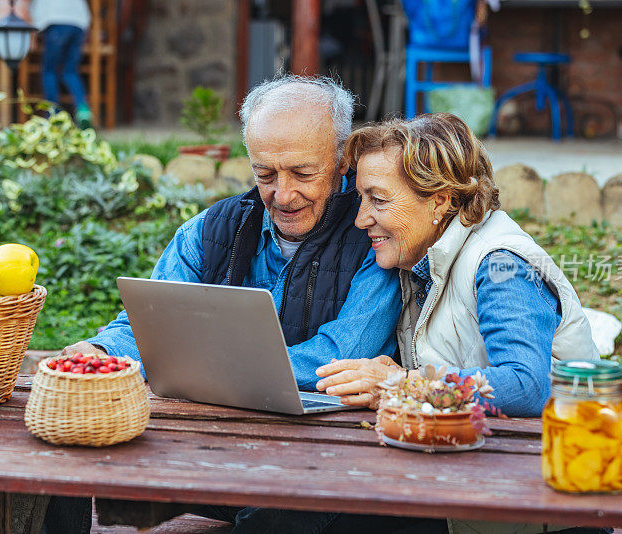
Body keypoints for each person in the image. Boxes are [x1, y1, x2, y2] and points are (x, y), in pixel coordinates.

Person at [58, 75, 412, 533]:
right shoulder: (210, 231)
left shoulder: (374, 240)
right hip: (211, 444)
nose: (282, 195)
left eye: (302, 173)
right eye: (265, 174)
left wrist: (207, 369)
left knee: (279, 513)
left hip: (327, 459)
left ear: (342, 160)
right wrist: (102, 354)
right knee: (55, 460)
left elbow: (338, 357)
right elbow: (148, 324)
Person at [315, 113, 604, 534]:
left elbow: (526, 385)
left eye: (378, 199)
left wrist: (402, 385)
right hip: (481, 489)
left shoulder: (502, 264)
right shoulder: (422, 259)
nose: (361, 219)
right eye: (361, 199)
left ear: (440, 199)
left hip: (551, 511)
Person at [31, 0, 94, 129]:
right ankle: (83, 110)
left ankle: (54, 115)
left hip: (56, 20)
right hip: (79, 23)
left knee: (49, 71)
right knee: (70, 71)